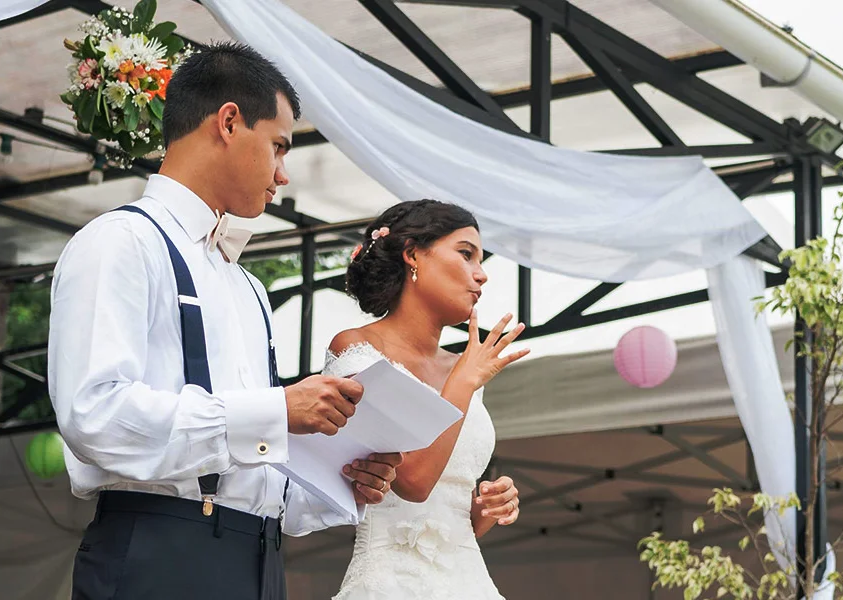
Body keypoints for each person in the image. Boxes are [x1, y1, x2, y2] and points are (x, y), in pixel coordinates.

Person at [48, 42, 402, 600]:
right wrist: (278, 409)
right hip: (158, 554)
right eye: (279, 147)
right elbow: (96, 416)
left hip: (257, 560)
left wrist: (346, 479)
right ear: (230, 122)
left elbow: (255, 483)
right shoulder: (119, 243)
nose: (283, 175)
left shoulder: (247, 286)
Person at [324, 200, 528, 599]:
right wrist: (463, 383)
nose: (481, 275)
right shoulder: (357, 349)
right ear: (413, 253)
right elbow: (413, 481)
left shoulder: (465, 369)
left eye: (480, 261)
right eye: (466, 253)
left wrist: (482, 511)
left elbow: (441, 504)